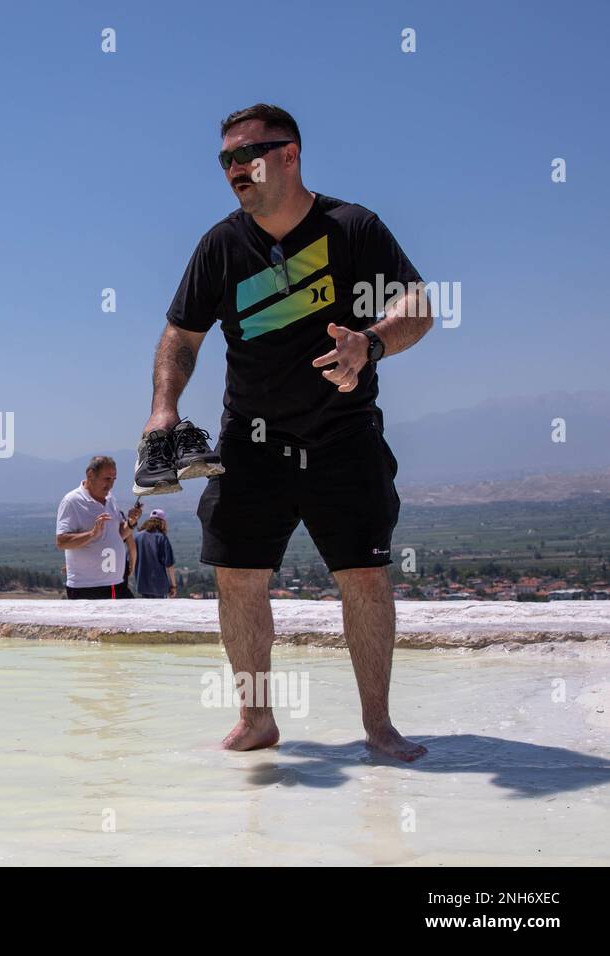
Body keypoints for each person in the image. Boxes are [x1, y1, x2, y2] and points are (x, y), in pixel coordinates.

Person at [144, 104, 433, 761]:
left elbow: (416, 307)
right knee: (238, 576)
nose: (235, 170)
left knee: (363, 576)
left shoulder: (352, 228)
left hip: (343, 434)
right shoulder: (221, 245)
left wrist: (370, 344)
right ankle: (257, 718)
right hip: (251, 440)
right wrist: (165, 406)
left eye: (248, 155)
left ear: (291, 155)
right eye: (225, 161)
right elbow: (180, 336)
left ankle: (379, 726)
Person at [55, 456, 135, 599]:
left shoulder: (110, 499)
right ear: (90, 475)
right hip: (87, 587)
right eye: (107, 479)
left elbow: (118, 535)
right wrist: (92, 533)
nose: (111, 485)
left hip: (115, 583)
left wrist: (131, 522)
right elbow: (62, 542)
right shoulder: (72, 501)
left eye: (113, 479)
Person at [133, 509, 177, 599]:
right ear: (162, 522)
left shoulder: (137, 537)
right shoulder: (162, 538)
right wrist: (173, 586)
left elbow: (130, 561)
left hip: (142, 584)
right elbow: (169, 565)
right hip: (159, 585)